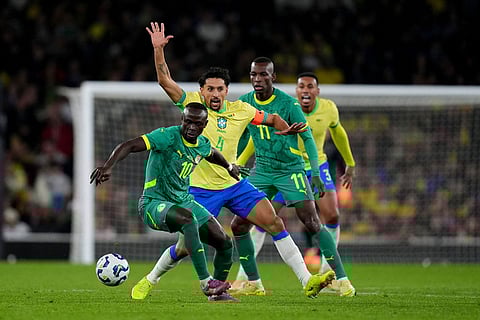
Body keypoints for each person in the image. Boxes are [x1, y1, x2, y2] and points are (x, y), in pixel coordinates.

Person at [130, 21, 335, 300]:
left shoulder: (241, 110)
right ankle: (150, 279)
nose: (215, 94)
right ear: (202, 91)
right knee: (184, 247)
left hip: (234, 183)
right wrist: (158, 50)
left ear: (227, 90)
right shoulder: (192, 106)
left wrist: (283, 126)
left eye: (220, 89)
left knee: (274, 222)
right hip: (200, 190)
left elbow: (271, 118)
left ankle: (306, 280)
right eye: (210, 89)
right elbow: (164, 80)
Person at [90, 102, 239, 301]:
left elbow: (212, 154)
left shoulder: (201, 143)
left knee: (224, 242)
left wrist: (229, 167)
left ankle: (217, 294)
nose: (191, 127)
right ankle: (206, 282)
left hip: (184, 201)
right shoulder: (167, 136)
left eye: (197, 123)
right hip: (153, 203)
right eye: (188, 122)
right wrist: (108, 166)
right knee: (188, 219)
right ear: (182, 120)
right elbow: (130, 145)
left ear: (204, 124)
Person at [234, 58, 356, 297]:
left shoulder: (289, 104)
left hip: (291, 170)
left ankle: (341, 279)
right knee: (239, 224)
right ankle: (252, 282)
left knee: (311, 221)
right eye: (253, 75)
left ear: (273, 77)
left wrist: (317, 172)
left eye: (263, 75)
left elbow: (308, 139)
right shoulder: (244, 103)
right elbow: (246, 136)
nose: (258, 79)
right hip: (262, 171)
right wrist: (236, 162)